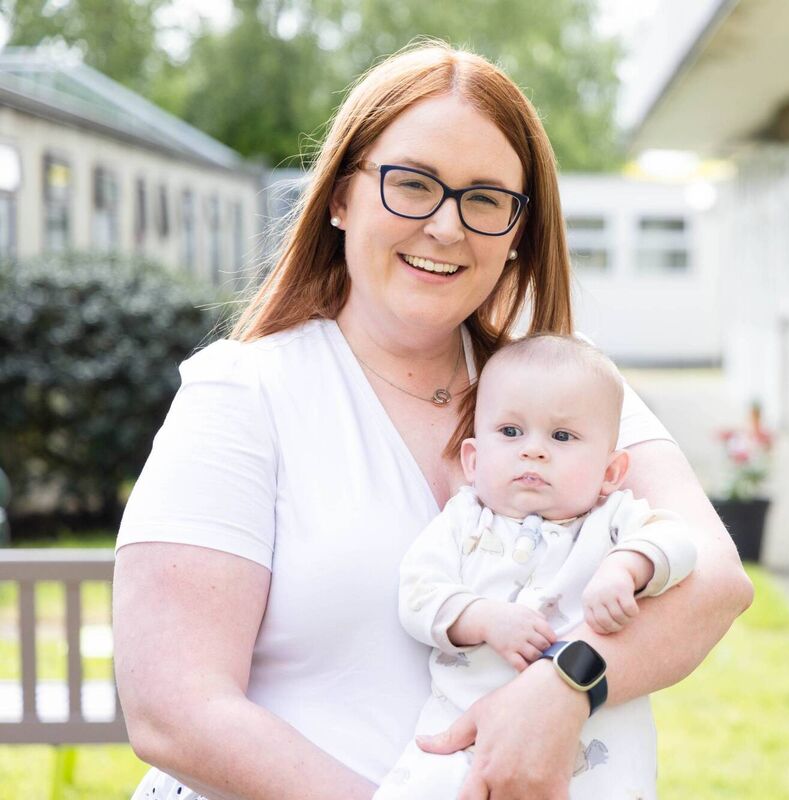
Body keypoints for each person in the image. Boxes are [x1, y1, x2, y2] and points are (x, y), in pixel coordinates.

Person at [113, 41, 753, 800]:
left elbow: (715, 580)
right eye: (412, 184)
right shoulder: (244, 395)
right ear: (341, 199)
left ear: (517, 233)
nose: (447, 226)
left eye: (485, 199)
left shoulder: (564, 392)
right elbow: (175, 711)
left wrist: (566, 684)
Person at [377, 334, 696, 799]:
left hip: (596, 746)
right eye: (510, 432)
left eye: (562, 437)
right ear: (473, 458)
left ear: (610, 472)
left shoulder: (611, 520)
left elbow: (678, 541)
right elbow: (418, 592)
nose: (534, 450)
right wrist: (483, 618)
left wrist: (626, 568)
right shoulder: (465, 520)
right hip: (463, 730)